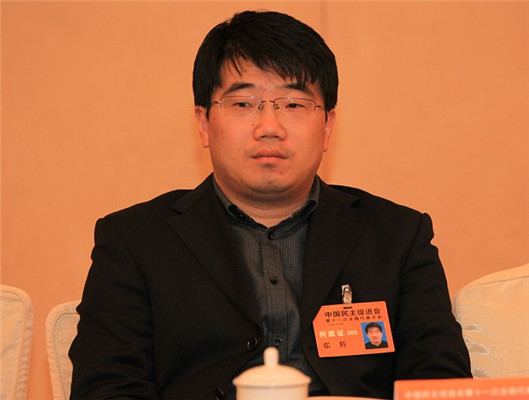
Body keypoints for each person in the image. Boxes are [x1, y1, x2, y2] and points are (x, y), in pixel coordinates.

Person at [69, 10, 472, 400]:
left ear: (327, 126)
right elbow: (106, 390)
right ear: (204, 123)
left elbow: (443, 386)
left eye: (293, 104)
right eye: (243, 104)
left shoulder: (397, 238)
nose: (269, 128)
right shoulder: (136, 242)